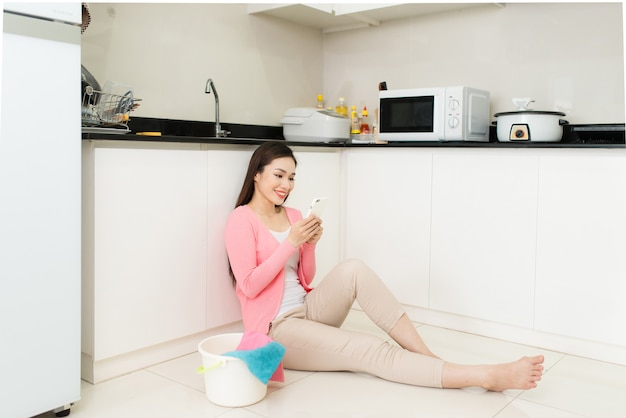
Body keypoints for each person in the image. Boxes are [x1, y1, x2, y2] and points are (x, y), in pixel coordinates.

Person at [224, 141, 544, 391]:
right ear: (257, 174)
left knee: (354, 268)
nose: (286, 184)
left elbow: (306, 277)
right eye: (278, 175)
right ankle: (483, 376)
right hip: (277, 329)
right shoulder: (241, 220)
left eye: (291, 177)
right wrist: (290, 243)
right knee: (370, 349)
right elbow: (249, 286)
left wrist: (309, 245)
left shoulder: (293, 215)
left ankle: (428, 359)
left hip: (308, 310)